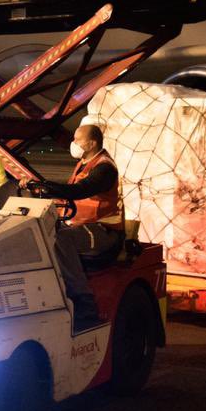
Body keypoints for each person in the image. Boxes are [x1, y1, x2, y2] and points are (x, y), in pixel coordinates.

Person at [27, 124, 124, 330]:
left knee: (62, 239)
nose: (74, 144)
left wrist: (47, 186)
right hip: (84, 225)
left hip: (104, 231)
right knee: (44, 232)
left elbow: (81, 190)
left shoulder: (104, 168)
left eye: (78, 140)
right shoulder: (84, 163)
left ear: (92, 142)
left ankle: (84, 302)